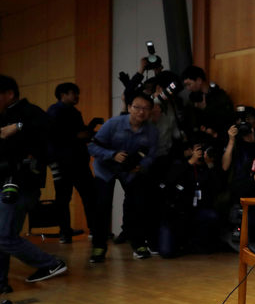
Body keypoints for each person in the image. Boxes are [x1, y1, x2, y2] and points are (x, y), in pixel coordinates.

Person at [0, 75, 67, 290]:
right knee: (2, 235)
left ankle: (51, 263)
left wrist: (17, 126)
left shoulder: (29, 111)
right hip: (7, 182)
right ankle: (1, 282)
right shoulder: (4, 115)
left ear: (9, 94)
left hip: (22, 184)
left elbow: (49, 125)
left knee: (4, 237)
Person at [87, 92, 159, 263]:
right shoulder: (113, 124)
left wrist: (142, 166)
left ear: (150, 111)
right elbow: (92, 147)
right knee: (102, 206)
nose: (141, 112)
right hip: (106, 169)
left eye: (146, 109)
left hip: (130, 172)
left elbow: (152, 155)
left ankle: (138, 244)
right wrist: (112, 155)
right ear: (129, 108)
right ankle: (99, 246)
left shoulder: (152, 131)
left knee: (138, 204)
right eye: (137, 107)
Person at [46, 82, 100, 243]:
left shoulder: (73, 112)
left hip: (78, 161)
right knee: (66, 198)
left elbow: (79, 133)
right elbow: (56, 136)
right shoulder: (54, 112)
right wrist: (81, 135)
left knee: (86, 196)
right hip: (64, 163)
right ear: (63, 94)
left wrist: (89, 129)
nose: (76, 96)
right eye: (73, 93)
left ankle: (84, 230)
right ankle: (67, 232)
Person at [181, 65, 234, 135]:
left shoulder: (218, 94)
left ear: (199, 80)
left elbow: (227, 116)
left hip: (220, 136)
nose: (188, 88)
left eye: (189, 84)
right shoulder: (193, 98)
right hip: (201, 138)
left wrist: (206, 108)